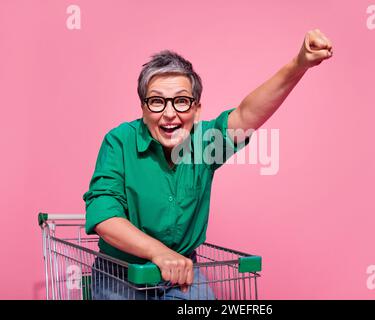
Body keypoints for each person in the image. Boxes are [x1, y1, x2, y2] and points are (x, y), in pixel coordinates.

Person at [83, 29, 333, 300]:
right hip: (122, 274)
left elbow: (247, 114)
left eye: (181, 101)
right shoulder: (119, 142)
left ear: (197, 109)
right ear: (143, 108)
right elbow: (105, 216)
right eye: (156, 102)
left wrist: (299, 64)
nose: (169, 113)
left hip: (182, 272)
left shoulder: (205, 143)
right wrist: (159, 253)